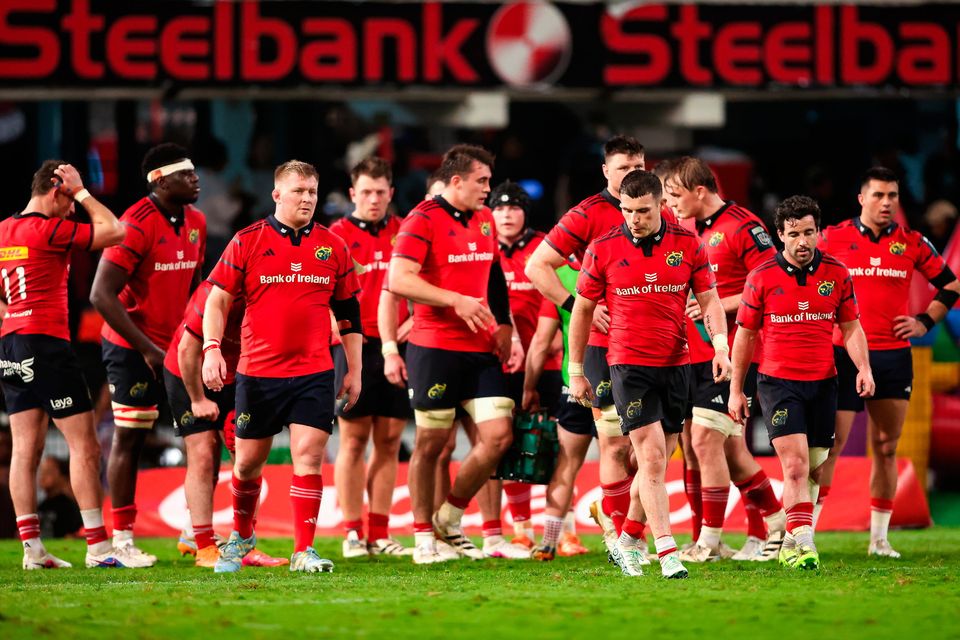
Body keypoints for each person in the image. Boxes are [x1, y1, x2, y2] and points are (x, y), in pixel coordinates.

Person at [202, 160, 362, 574]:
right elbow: (217, 300)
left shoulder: (333, 246)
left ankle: (303, 551)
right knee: (247, 464)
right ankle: (241, 536)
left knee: (308, 458)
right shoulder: (247, 241)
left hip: (313, 372)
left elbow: (349, 315)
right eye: (298, 191)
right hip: (258, 373)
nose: (307, 198)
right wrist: (212, 349)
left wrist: (355, 369)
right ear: (277, 195)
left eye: (312, 191)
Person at [568, 169, 729, 579]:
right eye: (626, 210)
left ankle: (626, 541)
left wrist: (722, 346)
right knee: (652, 457)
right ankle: (668, 552)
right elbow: (582, 310)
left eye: (642, 210)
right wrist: (576, 369)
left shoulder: (687, 244)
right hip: (627, 364)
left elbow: (709, 301)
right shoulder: (602, 248)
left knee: (659, 460)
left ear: (660, 204)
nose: (634, 218)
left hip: (677, 364)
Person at [818, 167, 960, 557]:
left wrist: (924, 321)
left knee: (885, 446)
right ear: (861, 198)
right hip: (842, 354)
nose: (886, 203)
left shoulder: (912, 242)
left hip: (893, 356)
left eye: (893, 196)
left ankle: (879, 539)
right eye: (879, 195)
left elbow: (950, 284)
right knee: (829, 444)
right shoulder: (833, 237)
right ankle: (804, 534)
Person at [0, 160, 134, 568]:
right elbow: (115, 231)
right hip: (47, 345)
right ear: (55, 190)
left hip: (10, 345)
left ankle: (32, 550)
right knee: (85, 446)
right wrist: (82, 191)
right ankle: (97, 548)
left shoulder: (3, 230)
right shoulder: (48, 229)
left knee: (25, 449)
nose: (72, 210)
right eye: (68, 201)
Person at [730, 195, 874, 571]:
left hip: (824, 382)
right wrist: (736, 388)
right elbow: (744, 336)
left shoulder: (838, 273)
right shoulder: (760, 277)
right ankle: (806, 546)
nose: (803, 241)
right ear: (780, 235)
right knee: (793, 467)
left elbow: (851, 327)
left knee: (814, 468)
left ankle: (791, 540)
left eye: (809, 232)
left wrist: (864, 368)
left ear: (819, 232)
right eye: (794, 234)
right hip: (778, 384)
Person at [387, 144, 515, 565]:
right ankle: (423, 535)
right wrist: (455, 300)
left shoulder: (483, 220)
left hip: (480, 346)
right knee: (431, 442)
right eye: (482, 181)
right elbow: (399, 279)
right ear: (456, 181)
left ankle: (449, 515)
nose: (489, 189)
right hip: (435, 347)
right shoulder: (420, 219)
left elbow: (494, 273)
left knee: (498, 437)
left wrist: (506, 326)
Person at [525, 135, 646, 566]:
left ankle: (621, 524)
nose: (632, 173)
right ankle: (591, 540)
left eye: (638, 165)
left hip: (650, 348)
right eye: (623, 167)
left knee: (647, 448)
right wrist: (576, 304)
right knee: (598, 450)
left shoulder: (658, 208)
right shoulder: (587, 214)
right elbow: (536, 265)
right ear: (606, 172)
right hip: (596, 351)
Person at [664, 157, 787, 563]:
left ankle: (713, 540)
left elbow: (775, 282)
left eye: (676, 195)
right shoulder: (685, 230)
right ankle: (764, 525)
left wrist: (721, 303)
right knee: (705, 445)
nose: (672, 204)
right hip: (690, 354)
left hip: (735, 355)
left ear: (700, 191)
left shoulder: (743, 226)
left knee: (705, 440)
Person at [91, 143, 207, 567]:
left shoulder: (197, 222)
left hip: (176, 346)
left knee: (203, 434)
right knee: (131, 436)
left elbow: (196, 288)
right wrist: (147, 349)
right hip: (131, 347)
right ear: (158, 180)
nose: (195, 179)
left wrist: (197, 340)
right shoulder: (134, 224)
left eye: (195, 172)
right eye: (185, 173)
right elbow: (100, 295)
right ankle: (121, 539)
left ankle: (198, 531)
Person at [164, 280, 287, 568]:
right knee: (204, 451)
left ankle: (244, 544)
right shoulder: (214, 292)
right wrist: (197, 400)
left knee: (246, 458)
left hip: (236, 374)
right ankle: (204, 545)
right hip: (190, 371)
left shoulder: (274, 290)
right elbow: (186, 350)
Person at [329, 157, 412, 558]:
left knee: (391, 439)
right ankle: (351, 532)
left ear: (391, 193)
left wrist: (406, 331)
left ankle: (379, 532)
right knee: (354, 438)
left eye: (381, 192)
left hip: (398, 347)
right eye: (366, 192)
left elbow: (420, 288)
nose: (374, 199)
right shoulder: (336, 236)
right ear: (352, 194)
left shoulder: (407, 231)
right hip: (354, 349)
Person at [523, 265, 593, 561]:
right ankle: (630, 541)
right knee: (625, 462)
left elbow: (541, 341)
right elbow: (540, 342)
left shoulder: (559, 277)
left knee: (565, 466)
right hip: (611, 383)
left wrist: (528, 388)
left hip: (576, 383)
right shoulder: (620, 260)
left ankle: (548, 543)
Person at [37, 457, 82, 539]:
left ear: (63, 477)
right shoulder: (41, 506)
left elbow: (74, 535)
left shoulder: (68, 506)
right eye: (42, 471)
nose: (42, 476)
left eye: (48, 472)